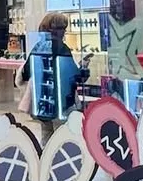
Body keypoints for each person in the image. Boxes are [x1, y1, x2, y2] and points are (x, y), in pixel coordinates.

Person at [15, 11, 90, 142]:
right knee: (65, 139)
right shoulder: (62, 48)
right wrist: (84, 68)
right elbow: (75, 77)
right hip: (61, 103)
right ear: (54, 30)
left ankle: (45, 161)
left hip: (42, 103)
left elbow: (26, 73)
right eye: (62, 29)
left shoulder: (38, 47)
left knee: (47, 137)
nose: (64, 32)